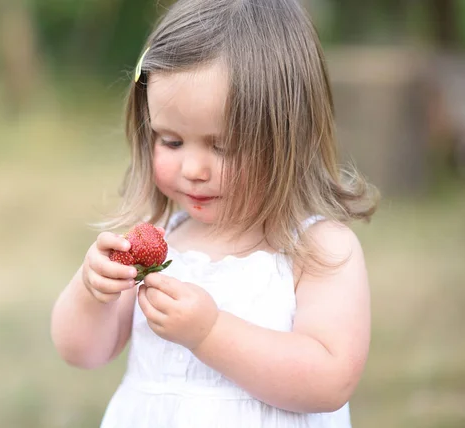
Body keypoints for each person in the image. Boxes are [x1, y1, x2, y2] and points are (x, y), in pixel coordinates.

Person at [51, 0, 380, 426]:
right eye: (170, 141)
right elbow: (82, 352)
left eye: (221, 146)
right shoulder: (159, 239)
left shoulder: (319, 251)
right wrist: (91, 291)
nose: (193, 170)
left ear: (287, 137)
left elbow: (329, 381)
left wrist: (209, 333)